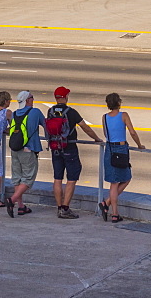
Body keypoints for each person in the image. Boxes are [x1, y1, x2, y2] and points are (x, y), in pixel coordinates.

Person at [46, 85, 103, 219]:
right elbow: (85, 127)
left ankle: (59, 207)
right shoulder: (71, 112)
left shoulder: (50, 111)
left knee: (57, 178)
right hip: (69, 148)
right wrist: (96, 139)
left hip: (55, 148)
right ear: (65, 97)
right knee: (71, 178)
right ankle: (65, 208)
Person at [99, 93, 144, 224]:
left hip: (110, 149)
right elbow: (132, 132)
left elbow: (106, 134)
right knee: (124, 179)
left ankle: (107, 205)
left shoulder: (104, 117)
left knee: (114, 182)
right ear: (119, 102)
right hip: (121, 149)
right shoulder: (123, 115)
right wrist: (139, 145)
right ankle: (114, 213)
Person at [6, 90, 46, 218]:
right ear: (28, 100)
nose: (33, 100)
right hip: (29, 149)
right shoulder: (35, 112)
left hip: (15, 148)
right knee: (28, 178)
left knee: (17, 177)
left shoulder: (15, 114)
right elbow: (46, 126)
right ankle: (12, 200)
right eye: (32, 98)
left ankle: (21, 206)